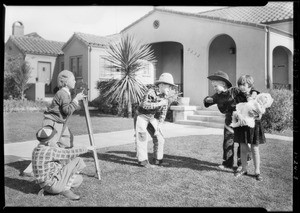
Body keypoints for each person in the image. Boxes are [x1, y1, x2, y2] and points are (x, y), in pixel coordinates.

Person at [22, 70, 86, 176]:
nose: (75, 81)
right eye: (73, 79)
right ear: (65, 82)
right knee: (48, 145)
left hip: (60, 122)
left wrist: (76, 102)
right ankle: (31, 169)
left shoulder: (66, 93)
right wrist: (76, 100)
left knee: (67, 141)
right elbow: (67, 110)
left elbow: (67, 108)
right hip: (52, 122)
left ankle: (65, 165)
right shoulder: (62, 94)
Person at [32, 125, 95, 200]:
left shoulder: (36, 150)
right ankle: (65, 190)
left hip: (45, 185)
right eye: (55, 140)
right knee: (78, 160)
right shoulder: (49, 151)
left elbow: (60, 159)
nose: (56, 141)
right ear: (48, 142)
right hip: (53, 184)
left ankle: (49, 191)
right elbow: (68, 153)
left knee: (79, 179)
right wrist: (86, 148)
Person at [134, 73, 176, 168]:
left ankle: (158, 160)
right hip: (141, 116)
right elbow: (144, 105)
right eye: (168, 87)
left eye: (171, 87)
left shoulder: (165, 96)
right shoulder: (150, 92)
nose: (170, 89)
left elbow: (163, 112)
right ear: (161, 85)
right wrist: (159, 103)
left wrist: (160, 124)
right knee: (142, 138)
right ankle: (143, 162)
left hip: (151, 117)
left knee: (160, 138)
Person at [203, 70, 242, 170]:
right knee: (228, 142)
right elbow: (210, 100)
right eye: (213, 86)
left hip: (241, 120)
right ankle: (227, 163)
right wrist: (207, 100)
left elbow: (246, 96)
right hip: (229, 121)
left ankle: (241, 163)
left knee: (242, 142)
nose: (214, 88)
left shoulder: (235, 91)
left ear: (223, 84)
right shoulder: (217, 96)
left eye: (215, 86)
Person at [233, 75, 266, 181]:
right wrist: (239, 115)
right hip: (242, 125)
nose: (241, 87)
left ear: (250, 85)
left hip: (254, 126)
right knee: (243, 148)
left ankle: (257, 172)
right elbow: (235, 111)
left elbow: (261, 113)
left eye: (244, 85)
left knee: (255, 148)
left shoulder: (257, 95)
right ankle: (244, 169)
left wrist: (256, 114)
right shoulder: (238, 97)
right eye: (240, 85)